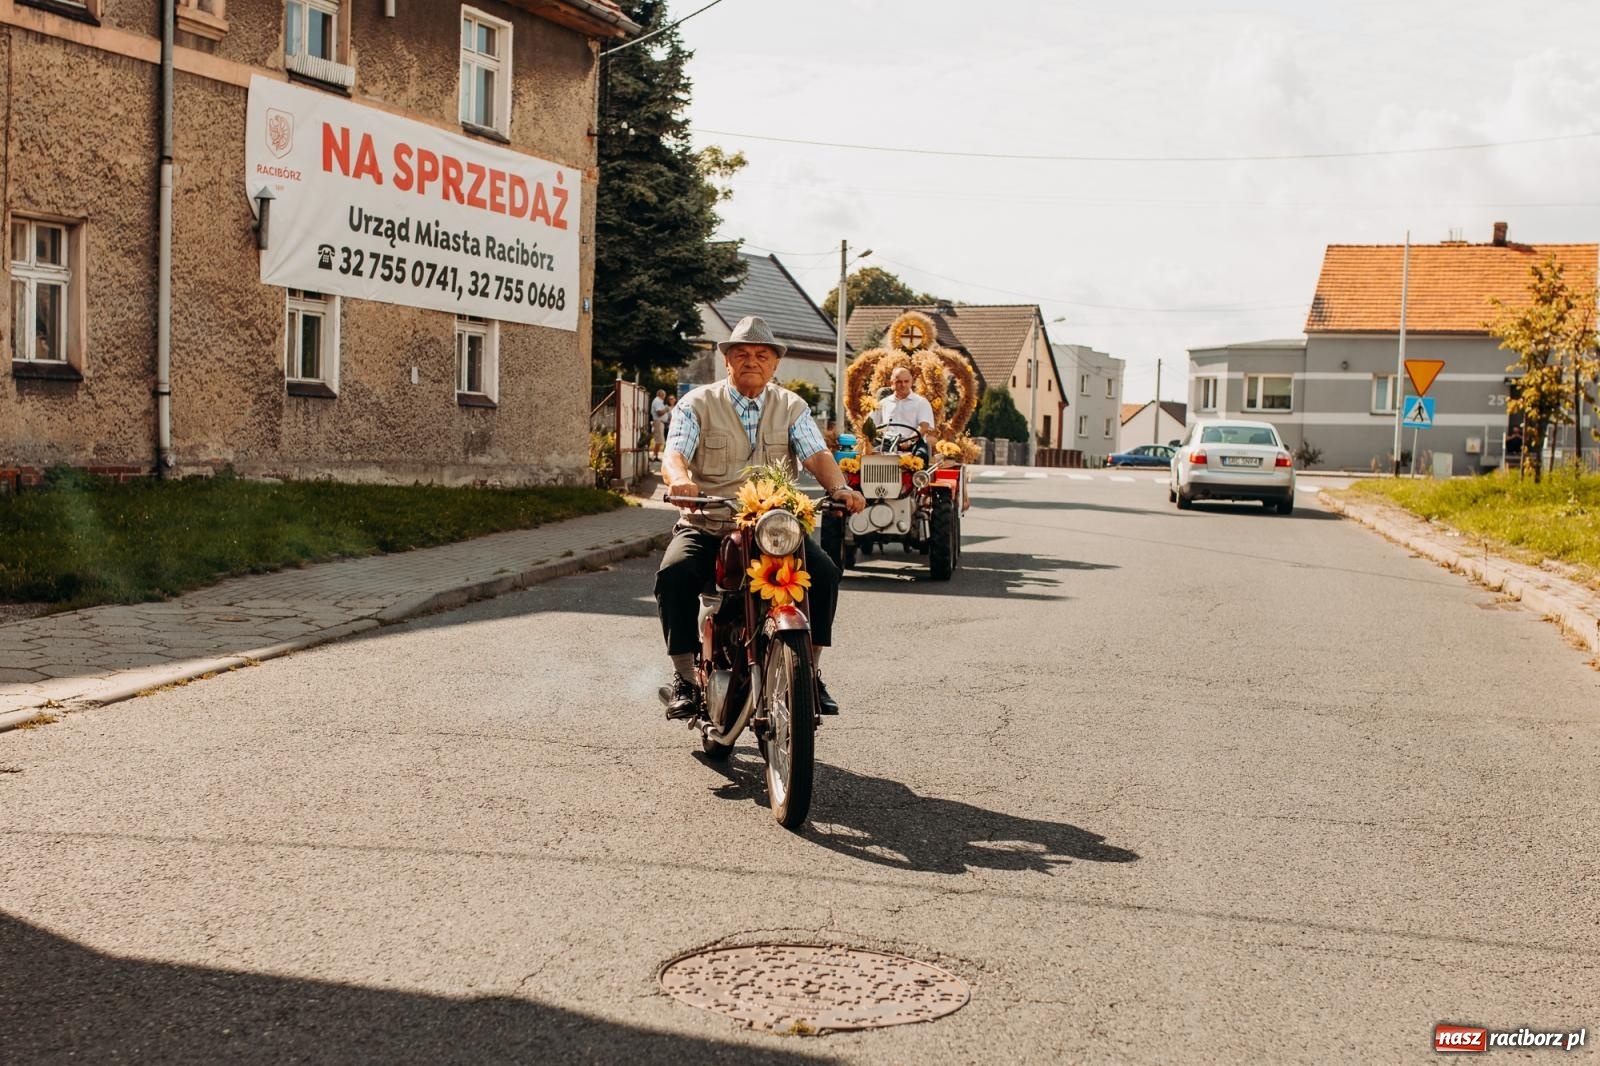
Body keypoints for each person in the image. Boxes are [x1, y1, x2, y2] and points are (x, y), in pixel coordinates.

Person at [655, 316, 867, 719]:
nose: (752, 361)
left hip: (773, 530)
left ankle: (809, 671)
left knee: (824, 575)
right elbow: (675, 453)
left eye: (761, 355)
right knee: (674, 574)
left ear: (774, 365)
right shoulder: (696, 403)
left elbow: (816, 455)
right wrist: (680, 480)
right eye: (742, 354)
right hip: (710, 523)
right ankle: (684, 677)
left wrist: (839, 488)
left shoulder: (791, 406)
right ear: (728, 362)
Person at [873, 367, 936, 447]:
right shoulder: (883, 403)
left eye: (906, 381)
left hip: (914, 444)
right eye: (899, 382)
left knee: (922, 455)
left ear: (911, 382)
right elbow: (871, 424)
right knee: (871, 457)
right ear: (892, 382)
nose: (903, 385)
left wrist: (909, 441)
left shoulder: (921, 402)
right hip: (887, 444)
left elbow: (923, 427)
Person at [649, 389, 669, 460]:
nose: (664, 396)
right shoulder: (657, 401)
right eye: (664, 395)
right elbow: (659, 413)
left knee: (659, 440)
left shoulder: (658, 401)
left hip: (660, 422)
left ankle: (655, 456)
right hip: (658, 422)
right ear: (661, 394)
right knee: (659, 440)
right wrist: (666, 409)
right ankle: (653, 456)